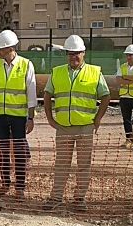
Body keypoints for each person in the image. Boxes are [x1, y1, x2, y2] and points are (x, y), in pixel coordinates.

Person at [43, 35, 111, 210]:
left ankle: (79, 199)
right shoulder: (57, 72)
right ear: (67, 54)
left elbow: (105, 96)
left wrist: (97, 119)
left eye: (77, 53)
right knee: (61, 165)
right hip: (64, 127)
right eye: (71, 53)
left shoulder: (95, 72)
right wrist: (50, 118)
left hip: (85, 127)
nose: (74, 57)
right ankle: (56, 197)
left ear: (84, 53)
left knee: (83, 165)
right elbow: (47, 94)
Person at [0, 30, 37, 198]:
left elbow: (31, 93)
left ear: (10, 48)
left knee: (19, 152)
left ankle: (19, 186)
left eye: (0, 49)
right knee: (2, 152)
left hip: (18, 117)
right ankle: (5, 182)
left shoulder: (26, 64)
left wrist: (30, 118)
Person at [116, 44, 133, 150]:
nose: (128, 57)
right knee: (126, 119)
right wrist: (132, 79)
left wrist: (126, 78)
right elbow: (118, 80)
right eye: (127, 55)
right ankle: (129, 139)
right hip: (124, 97)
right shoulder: (123, 66)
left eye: (130, 55)